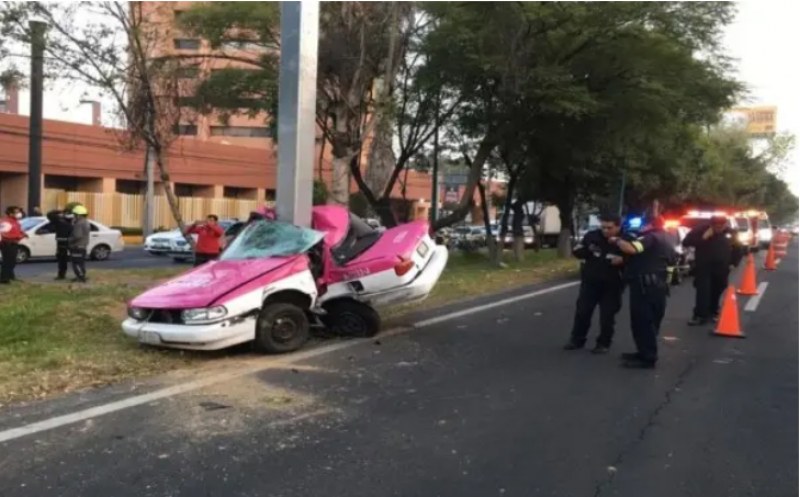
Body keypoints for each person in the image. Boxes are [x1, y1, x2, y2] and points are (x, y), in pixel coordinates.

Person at [611, 216, 674, 369]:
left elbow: (631, 249)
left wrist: (616, 240)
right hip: (657, 285)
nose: (640, 228)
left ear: (649, 225)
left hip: (645, 286)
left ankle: (647, 358)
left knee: (642, 321)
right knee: (649, 321)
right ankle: (643, 351)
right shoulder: (667, 238)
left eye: (642, 225)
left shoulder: (650, 237)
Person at [564, 213, 625, 354]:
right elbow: (579, 251)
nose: (605, 231)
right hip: (591, 281)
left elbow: (633, 257)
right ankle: (577, 339)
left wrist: (623, 260)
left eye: (609, 228)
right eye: (603, 227)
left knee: (607, 316)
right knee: (582, 312)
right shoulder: (592, 236)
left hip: (612, 284)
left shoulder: (625, 239)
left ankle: (604, 343)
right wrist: (585, 250)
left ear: (618, 227)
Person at [682, 215, 744, 326]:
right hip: (704, 266)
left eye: (721, 226)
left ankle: (713, 310)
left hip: (722, 267)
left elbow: (739, 248)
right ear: (711, 225)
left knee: (718, 288)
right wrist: (703, 238)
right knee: (703, 291)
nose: (718, 228)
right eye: (716, 226)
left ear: (725, 225)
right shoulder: (701, 230)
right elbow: (686, 242)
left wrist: (734, 263)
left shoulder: (730, 233)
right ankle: (699, 315)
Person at [0, 206, 27, 284]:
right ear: (11, 213)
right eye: (16, 212)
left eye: (19, 212)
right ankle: (4, 278)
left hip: (14, 243)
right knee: (8, 261)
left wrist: (22, 233)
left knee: (12, 261)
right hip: (7, 243)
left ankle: (10, 275)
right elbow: (3, 234)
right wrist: (18, 236)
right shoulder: (6, 222)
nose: (19, 214)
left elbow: (17, 230)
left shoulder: (15, 221)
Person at [47, 208, 73, 280]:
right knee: (72, 260)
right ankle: (78, 274)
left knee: (62, 260)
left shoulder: (60, 222)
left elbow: (49, 214)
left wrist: (59, 211)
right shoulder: (72, 223)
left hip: (62, 244)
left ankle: (62, 274)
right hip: (70, 243)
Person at [68, 205, 91, 282]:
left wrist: (69, 240)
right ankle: (81, 275)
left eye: (74, 214)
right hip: (82, 246)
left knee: (76, 263)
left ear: (78, 215)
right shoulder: (86, 222)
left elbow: (77, 235)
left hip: (77, 246)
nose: (73, 216)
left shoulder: (79, 223)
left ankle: (80, 277)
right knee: (81, 262)